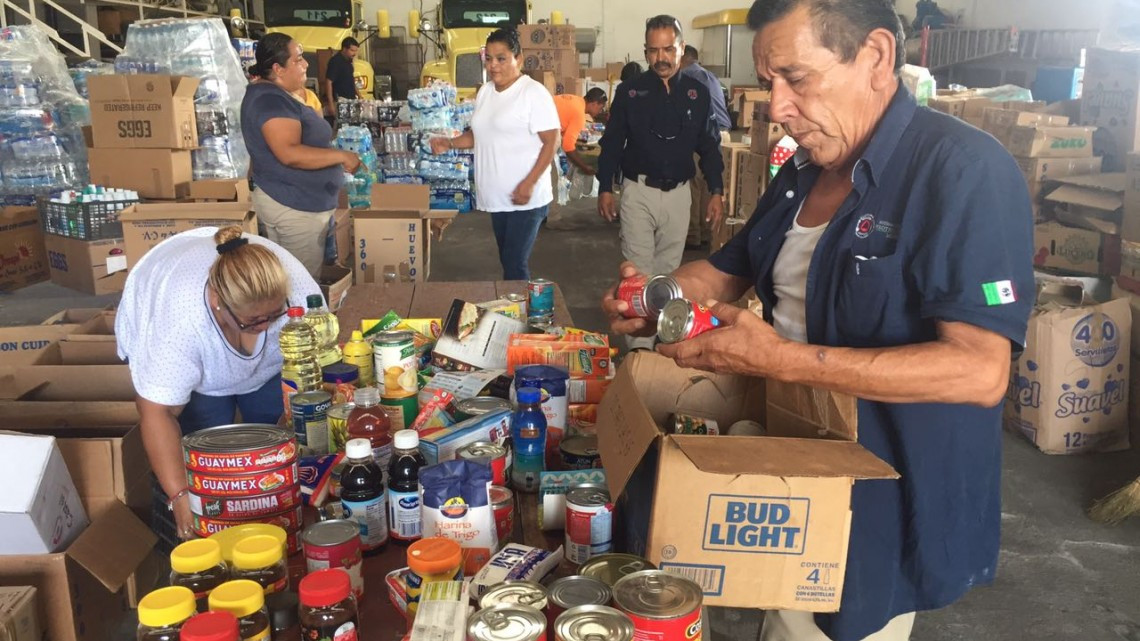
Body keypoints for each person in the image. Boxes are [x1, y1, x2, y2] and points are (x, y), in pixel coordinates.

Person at [602, 0, 1034, 639]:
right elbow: (726, 269)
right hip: (789, 472)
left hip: (877, 502)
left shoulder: (961, 171)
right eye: (769, 82)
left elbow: (979, 371)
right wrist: (656, 296)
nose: (777, 106)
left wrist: (779, 360)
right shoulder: (804, 172)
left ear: (876, 58)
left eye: (796, 78)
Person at [116, 226, 323, 552]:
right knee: (206, 459)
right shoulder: (181, 322)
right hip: (189, 338)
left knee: (274, 448)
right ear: (216, 301)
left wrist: (280, 455)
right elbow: (157, 412)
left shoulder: (300, 296)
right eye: (252, 321)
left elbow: (312, 379)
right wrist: (181, 496)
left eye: (274, 315)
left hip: (269, 365)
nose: (265, 327)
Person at [597, 15, 724, 350]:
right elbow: (612, 143)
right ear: (645, 52)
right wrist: (605, 187)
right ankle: (638, 354)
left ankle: (660, 346)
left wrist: (716, 190)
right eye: (653, 51)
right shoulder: (630, 92)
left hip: (680, 196)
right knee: (637, 276)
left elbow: (709, 145)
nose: (661, 57)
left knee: (668, 277)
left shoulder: (698, 94)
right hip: (638, 193)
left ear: (681, 49)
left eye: (668, 49)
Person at [430, 28, 560, 281]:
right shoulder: (486, 92)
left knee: (514, 263)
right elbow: (480, 134)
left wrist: (529, 182)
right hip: (498, 197)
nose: (493, 65)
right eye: (488, 58)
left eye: (501, 58)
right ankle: (515, 301)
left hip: (526, 198)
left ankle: (522, 306)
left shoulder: (532, 93)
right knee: (507, 259)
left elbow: (552, 141)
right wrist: (450, 143)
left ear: (518, 59)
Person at [241, 33, 359, 278]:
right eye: (298, 59)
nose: (305, 64)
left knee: (292, 277)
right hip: (294, 207)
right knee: (302, 282)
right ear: (278, 69)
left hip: (293, 200)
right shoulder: (270, 101)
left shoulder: (277, 95)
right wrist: (341, 156)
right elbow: (289, 153)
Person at [554, 88, 608, 175]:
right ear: (594, 104)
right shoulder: (579, 114)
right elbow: (568, 146)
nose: (600, 111)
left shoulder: (575, 99)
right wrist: (585, 167)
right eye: (600, 108)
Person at [680, 45, 731, 132]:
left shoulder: (686, 75)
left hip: (710, 131)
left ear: (681, 58)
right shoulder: (710, 75)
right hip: (724, 128)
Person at [325, 36, 360, 120]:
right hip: (340, 101)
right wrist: (330, 104)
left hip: (351, 100)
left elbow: (351, 79)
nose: (354, 53)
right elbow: (328, 82)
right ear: (344, 49)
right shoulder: (335, 61)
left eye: (356, 51)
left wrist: (359, 95)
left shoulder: (348, 61)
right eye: (352, 50)